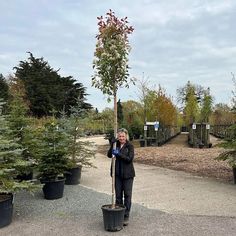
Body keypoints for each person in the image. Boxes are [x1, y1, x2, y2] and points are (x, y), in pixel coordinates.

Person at [107, 128, 135, 226]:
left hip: (128, 175)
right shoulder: (116, 144)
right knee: (118, 196)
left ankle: (126, 215)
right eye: (119, 136)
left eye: (123, 136)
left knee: (127, 195)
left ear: (126, 136)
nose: (121, 138)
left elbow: (129, 159)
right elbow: (109, 155)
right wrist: (112, 144)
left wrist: (118, 154)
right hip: (117, 175)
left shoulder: (130, 146)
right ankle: (119, 213)